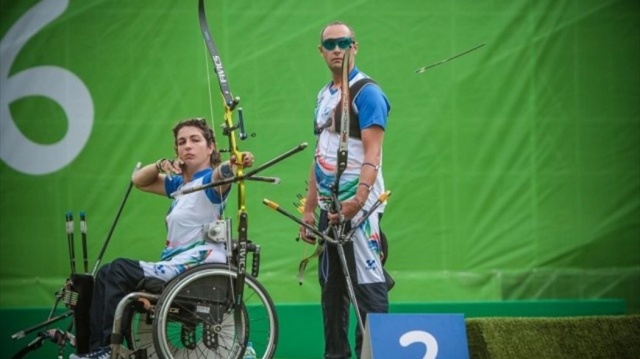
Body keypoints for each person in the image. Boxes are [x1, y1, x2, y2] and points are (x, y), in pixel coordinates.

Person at [70, 118, 254, 359]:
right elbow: (139, 180)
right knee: (106, 273)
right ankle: (99, 350)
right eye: (181, 142)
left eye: (195, 140)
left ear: (210, 147)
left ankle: (106, 350)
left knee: (117, 270)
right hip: (176, 264)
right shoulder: (180, 184)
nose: (187, 146)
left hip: (196, 266)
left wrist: (234, 163)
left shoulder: (209, 182)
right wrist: (160, 165)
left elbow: (222, 174)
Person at [300, 21, 391, 359]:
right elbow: (319, 152)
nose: (337, 49)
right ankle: (335, 355)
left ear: (355, 46)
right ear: (321, 52)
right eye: (330, 44)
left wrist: (359, 199)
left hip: (360, 210)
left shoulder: (367, 92)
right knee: (332, 288)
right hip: (330, 209)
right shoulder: (325, 96)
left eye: (343, 42)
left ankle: (373, 355)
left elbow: (373, 153)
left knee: (366, 285)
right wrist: (309, 210)